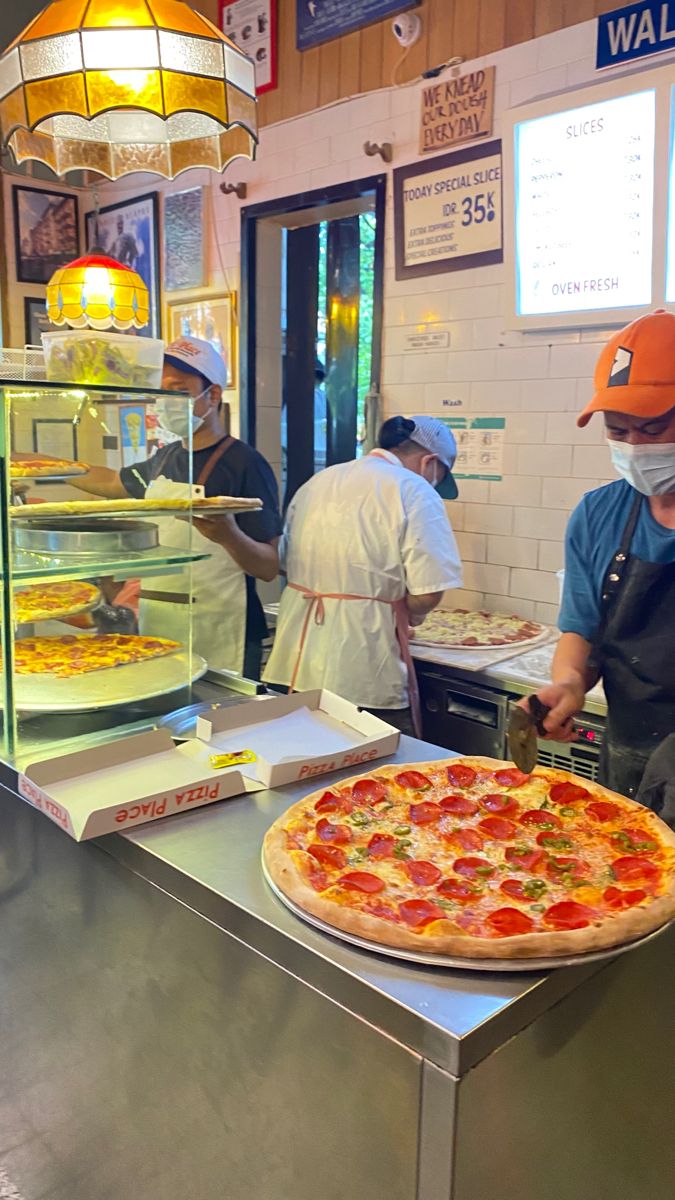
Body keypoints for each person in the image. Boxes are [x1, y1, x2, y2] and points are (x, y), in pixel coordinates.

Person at [528, 310, 675, 799]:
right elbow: (583, 632)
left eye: (652, 430)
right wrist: (568, 685)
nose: (634, 446)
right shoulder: (598, 515)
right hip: (630, 758)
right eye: (617, 430)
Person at [72, 336, 282, 678]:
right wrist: (46, 466)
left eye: (178, 389)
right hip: (160, 620)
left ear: (212, 395)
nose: (167, 401)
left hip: (222, 626)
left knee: (219, 724)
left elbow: (269, 567)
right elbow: (112, 482)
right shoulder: (165, 458)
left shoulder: (245, 463)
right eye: (162, 392)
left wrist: (229, 535)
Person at [263, 415, 463, 736]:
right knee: (372, 779)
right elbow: (429, 591)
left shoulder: (319, 481)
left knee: (296, 767)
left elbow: (285, 563)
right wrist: (405, 615)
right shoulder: (415, 490)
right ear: (431, 462)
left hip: (293, 662)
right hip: (364, 672)